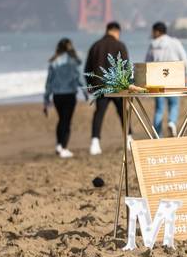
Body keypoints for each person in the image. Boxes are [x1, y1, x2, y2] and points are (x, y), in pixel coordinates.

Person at [86, 21, 130, 155]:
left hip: (101, 85)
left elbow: (87, 68)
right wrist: (128, 85)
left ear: (107, 30)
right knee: (123, 113)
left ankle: (95, 143)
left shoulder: (95, 46)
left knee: (99, 114)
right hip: (117, 86)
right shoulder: (120, 45)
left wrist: (90, 85)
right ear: (117, 31)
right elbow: (126, 67)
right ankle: (128, 140)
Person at [146, 21, 187, 137]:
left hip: (157, 80)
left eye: (153, 31)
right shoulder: (175, 43)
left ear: (157, 31)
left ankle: (157, 134)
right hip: (173, 77)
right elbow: (184, 59)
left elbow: (147, 64)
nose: (152, 34)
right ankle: (171, 122)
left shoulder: (153, 44)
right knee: (173, 104)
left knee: (159, 108)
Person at [44, 38, 85, 158]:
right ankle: (64, 148)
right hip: (69, 95)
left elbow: (49, 81)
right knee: (66, 121)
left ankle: (58, 145)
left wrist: (46, 97)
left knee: (61, 119)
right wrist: (86, 92)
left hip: (57, 96)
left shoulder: (54, 61)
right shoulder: (74, 61)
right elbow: (79, 78)